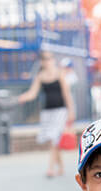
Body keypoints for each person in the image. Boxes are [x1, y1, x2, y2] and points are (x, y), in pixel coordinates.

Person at [17, 50, 76, 178]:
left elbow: (67, 94)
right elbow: (32, 93)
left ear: (53, 60)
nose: (47, 62)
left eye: (49, 59)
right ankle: (60, 166)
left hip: (60, 111)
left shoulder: (60, 74)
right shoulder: (40, 76)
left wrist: (71, 111)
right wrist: (22, 97)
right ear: (42, 62)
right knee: (53, 139)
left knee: (53, 138)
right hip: (47, 112)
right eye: (45, 59)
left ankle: (50, 168)